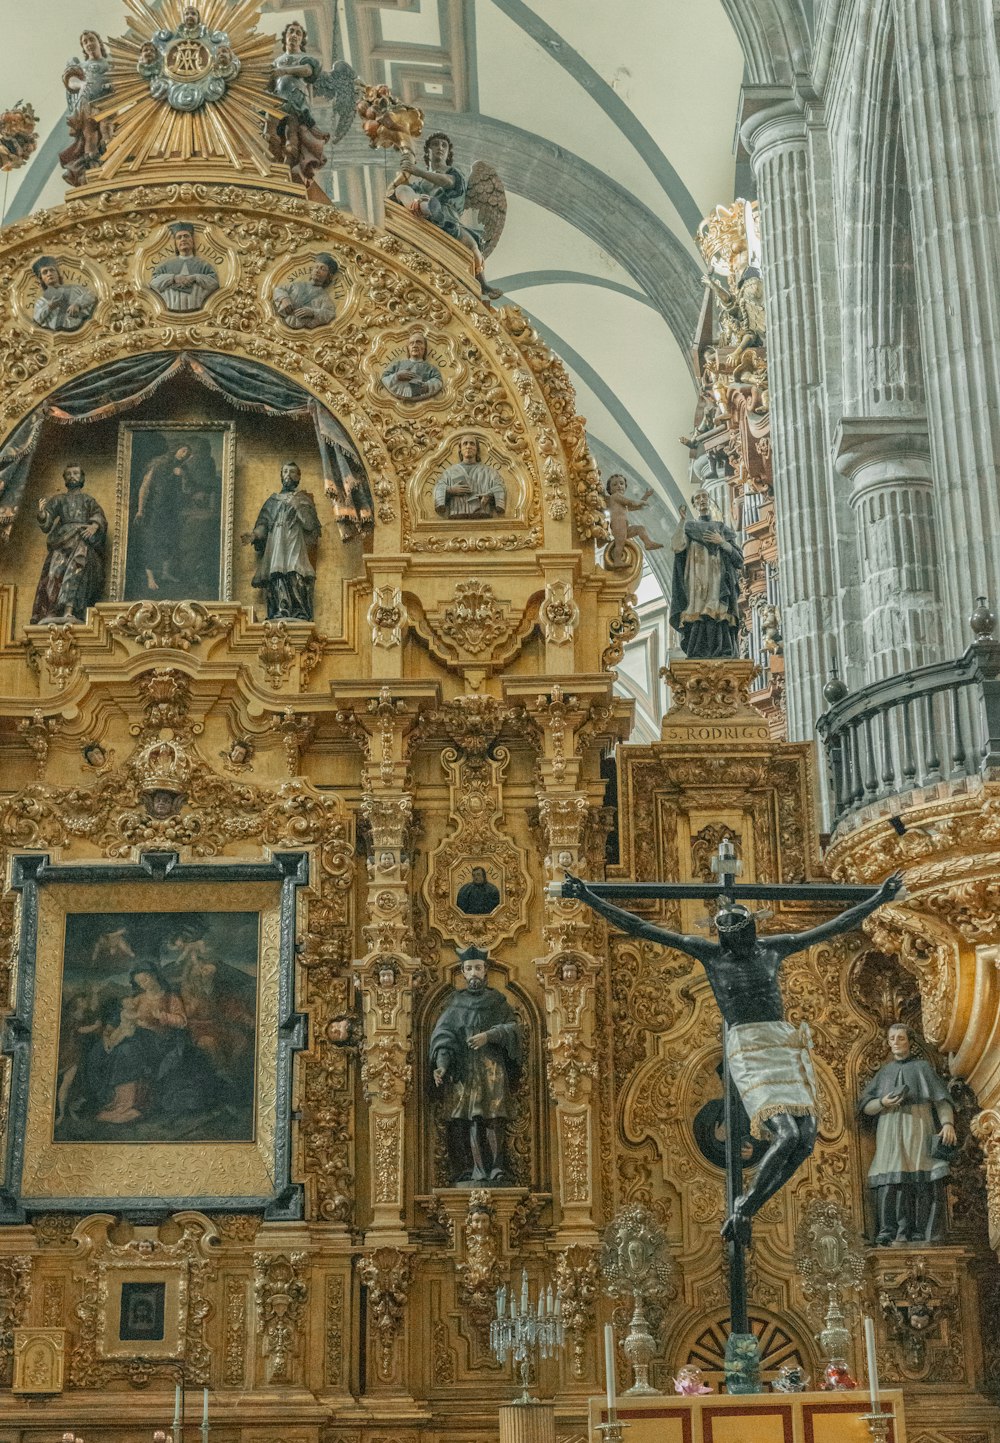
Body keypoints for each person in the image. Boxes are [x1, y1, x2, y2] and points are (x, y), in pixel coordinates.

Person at [561, 870, 904, 1243]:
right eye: (728, 934)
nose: (734, 940)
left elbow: (834, 926)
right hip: (749, 1047)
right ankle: (744, 1207)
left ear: (751, 930)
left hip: (781, 1042)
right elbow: (641, 926)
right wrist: (589, 898)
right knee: (786, 1135)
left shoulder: (774, 948)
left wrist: (878, 900)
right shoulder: (711, 954)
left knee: (806, 1140)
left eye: (740, 933)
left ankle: (746, 1207)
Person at [428, 945, 521, 1184]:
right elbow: (444, 1037)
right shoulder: (455, 1003)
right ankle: (475, 1169)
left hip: (492, 1069)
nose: (473, 973)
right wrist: (441, 1065)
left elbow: (513, 1028)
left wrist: (489, 1036)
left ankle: (497, 1167)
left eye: (478, 968)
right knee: (471, 1120)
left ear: (485, 970)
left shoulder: (496, 1000)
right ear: (463, 971)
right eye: (469, 968)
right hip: (465, 1072)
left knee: (494, 1118)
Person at [859, 1022, 956, 1245]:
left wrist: (948, 1124)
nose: (895, 1043)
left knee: (920, 1175)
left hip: (917, 1125)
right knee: (891, 1176)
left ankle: (919, 1231)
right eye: (892, 1038)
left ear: (910, 1042)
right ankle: (891, 1231)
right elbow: (865, 1105)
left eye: (900, 1038)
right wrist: (883, 1102)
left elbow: (941, 1100)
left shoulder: (922, 1068)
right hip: (890, 1128)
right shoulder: (885, 1072)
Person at [390, 132, 501, 299]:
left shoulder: (453, 173)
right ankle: (423, 207)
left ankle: (482, 284)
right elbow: (391, 196)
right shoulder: (419, 184)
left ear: (448, 152)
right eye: (435, 144)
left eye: (444, 145)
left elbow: (448, 182)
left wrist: (416, 171)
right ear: (427, 151)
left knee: (472, 248)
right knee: (402, 189)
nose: (440, 148)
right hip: (423, 215)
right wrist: (401, 178)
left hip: (448, 218)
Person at [669, 490, 744, 658]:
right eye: (697, 498)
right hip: (696, 580)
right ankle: (698, 649)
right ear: (694, 505)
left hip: (718, 579)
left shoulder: (722, 529)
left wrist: (722, 542)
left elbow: (739, 560)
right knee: (698, 612)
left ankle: (722, 649)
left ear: (710, 501)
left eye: (704, 497)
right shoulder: (689, 528)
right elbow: (677, 546)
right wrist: (681, 521)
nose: (702, 500)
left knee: (717, 610)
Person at [243, 461, 322, 621]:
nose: (287, 475)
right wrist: (254, 536)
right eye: (285, 472)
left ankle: (299, 610)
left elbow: (310, 525)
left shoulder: (302, 499)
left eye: (292, 472)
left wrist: (298, 508)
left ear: (298, 477)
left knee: (295, 571)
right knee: (277, 573)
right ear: (281, 476)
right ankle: (280, 609)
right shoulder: (273, 501)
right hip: (276, 542)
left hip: (294, 540)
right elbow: (263, 525)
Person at [31, 464, 107, 624]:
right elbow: (47, 523)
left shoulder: (88, 500)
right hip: (61, 541)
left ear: (82, 478)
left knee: (76, 572)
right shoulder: (59, 499)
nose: (72, 476)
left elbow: (98, 515)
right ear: (65, 479)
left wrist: (94, 525)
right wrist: (42, 514)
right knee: (54, 573)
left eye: (76, 473)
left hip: (81, 541)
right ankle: (51, 611)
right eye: (69, 474)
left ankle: (69, 611)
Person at [269, 22, 329, 186]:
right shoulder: (277, 60)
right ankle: (275, 159)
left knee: (291, 134)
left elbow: (308, 71)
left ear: (301, 40)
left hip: (296, 100)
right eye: (291, 32)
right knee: (270, 131)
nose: (294, 35)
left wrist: (286, 70)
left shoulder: (303, 58)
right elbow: (269, 83)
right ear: (285, 36)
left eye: (298, 33)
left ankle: (287, 167)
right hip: (278, 99)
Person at [132, 441, 194, 595]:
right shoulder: (159, 463)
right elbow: (144, 487)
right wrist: (140, 510)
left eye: (187, 453)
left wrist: (183, 476)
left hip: (172, 510)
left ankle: (165, 573)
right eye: (183, 450)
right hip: (155, 509)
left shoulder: (182, 468)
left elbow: (187, 491)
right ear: (177, 448)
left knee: (170, 539)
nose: (184, 454)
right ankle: (150, 577)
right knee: (152, 541)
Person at [59, 30, 112, 186]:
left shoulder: (111, 63)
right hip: (87, 104)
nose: (89, 43)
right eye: (85, 42)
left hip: (108, 102)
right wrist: (81, 84)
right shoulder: (81, 66)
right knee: (90, 136)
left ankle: (109, 159)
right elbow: (70, 81)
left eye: (91, 39)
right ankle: (91, 168)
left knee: (106, 129)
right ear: (83, 47)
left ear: (99, 42)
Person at [149, 223, 219, 313]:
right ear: (175, 243)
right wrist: (173, 278)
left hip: (198, 307)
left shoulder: (204, 265)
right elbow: (153, 283)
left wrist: (195, 277)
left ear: (192, 241)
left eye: (186, 236)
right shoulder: (166, 265)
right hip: (171, 307)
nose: (183, 239)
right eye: (179, 237)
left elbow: (214, 283)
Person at [433, 435, 505, 519]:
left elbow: (500, 487)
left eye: (472, 444)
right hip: (457, 513)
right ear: (460, 449)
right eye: (465, 444)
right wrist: (451, 490)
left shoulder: (489, 472)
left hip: (482, 513)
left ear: (477, 449)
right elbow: (439, 487)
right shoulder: (449, 472)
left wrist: (489, 494)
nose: (468, 446)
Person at [605, 473, 663, 567]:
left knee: (640, 528)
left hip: (623, 525)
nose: (619, 486)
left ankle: (648, 543)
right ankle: (617, 561)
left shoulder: (621, 503)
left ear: (625, 486)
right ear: (610, 489)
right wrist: (642, 501)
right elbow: (631, 502)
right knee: (620, 543)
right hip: (618, 525)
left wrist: (646, 496)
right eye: (615, 484)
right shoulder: (615, 497)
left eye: (621, 483)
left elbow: (635, 507)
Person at [31, 256, 97, 332]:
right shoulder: (42, 301)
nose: (49, 274)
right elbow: (37, 318)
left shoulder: (74, 288)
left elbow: (91, 295)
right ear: (41, 278)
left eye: (52, 270)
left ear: (58, 273)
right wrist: (49, 307)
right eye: (45, 272)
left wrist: (78, 304)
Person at [272, 252, 338, 329]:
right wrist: (284, 299)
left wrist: (312, 312)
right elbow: (279, 289)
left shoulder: (324, 297)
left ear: (328, 276)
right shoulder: (298, 285)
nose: (317, 271)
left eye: (323, 269)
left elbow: (329, 313)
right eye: (316, 267)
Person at [380, 332, 444, 401]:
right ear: (408, 348)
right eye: (411, 343)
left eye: (419, 342)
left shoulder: (431, 368)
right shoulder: (397, 364)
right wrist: (397, 376)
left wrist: (427, 386)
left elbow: (438, 381)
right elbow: (384, 377)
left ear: (425, 347)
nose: (415, 345)